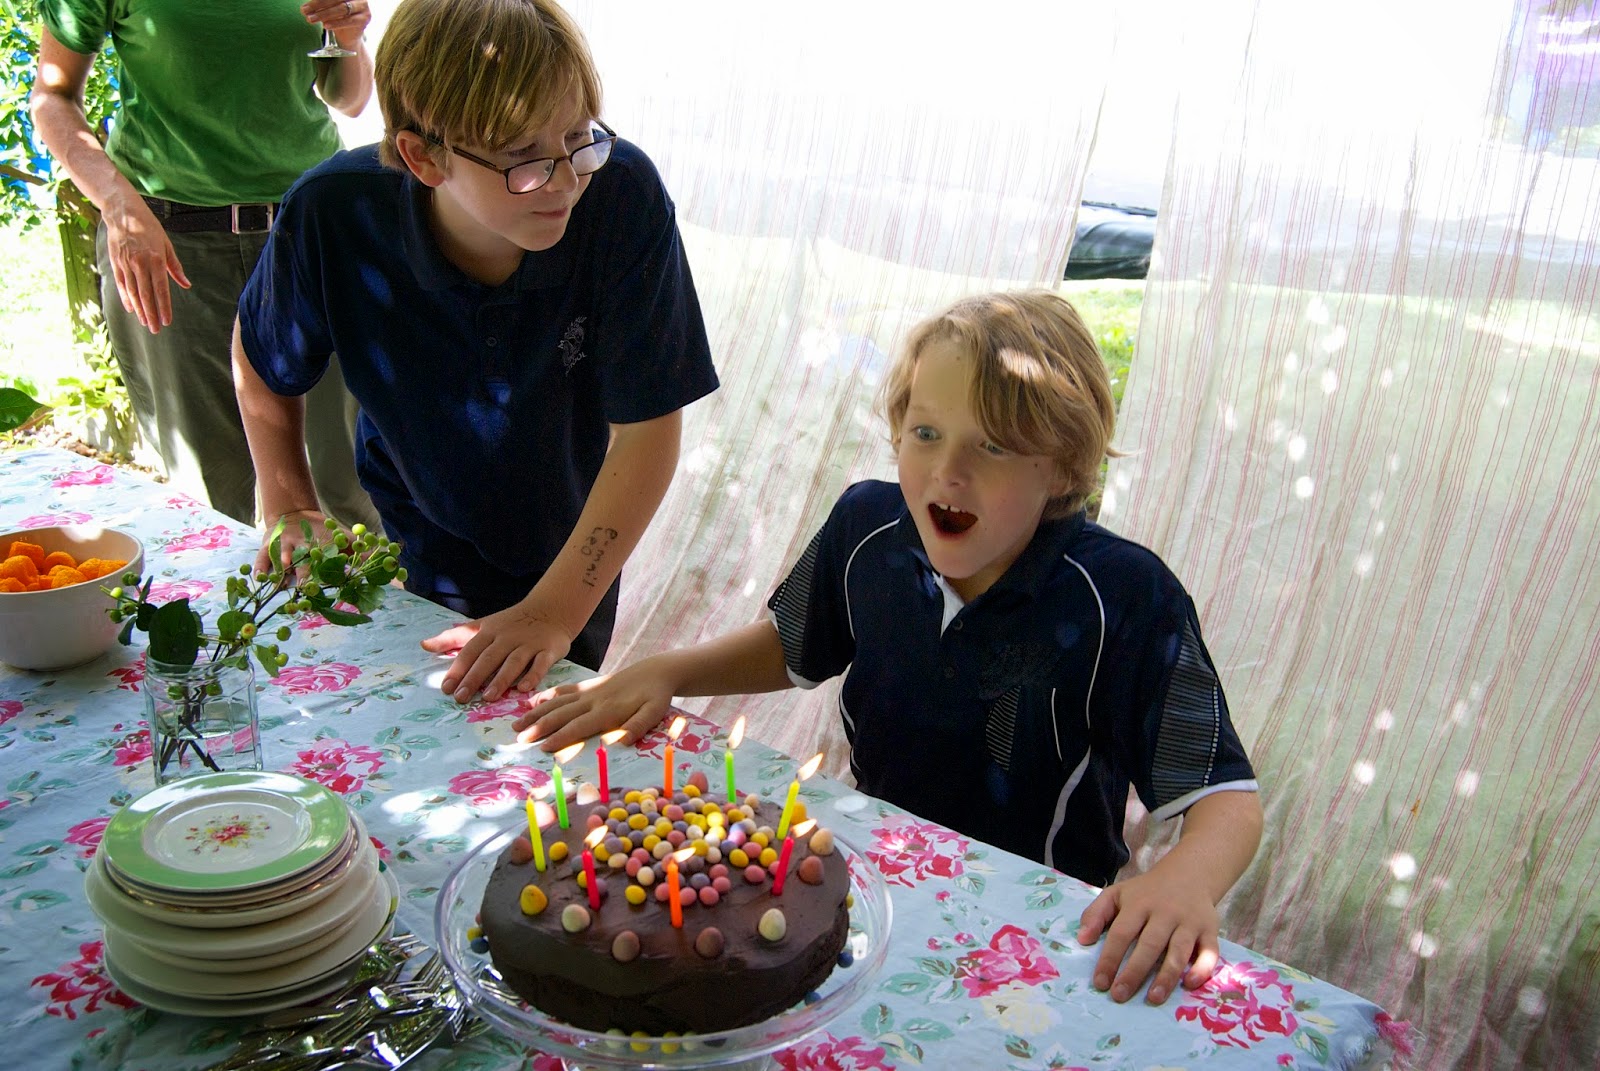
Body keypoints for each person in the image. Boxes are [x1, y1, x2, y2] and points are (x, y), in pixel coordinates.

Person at [513, 290, 1263, 1007]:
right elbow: (792, 645)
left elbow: (1225, 797)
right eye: (926, 433)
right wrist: (669, 670)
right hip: (871, 884)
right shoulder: (866, 524)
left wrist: (1186, 880)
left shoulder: (1126, 596)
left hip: (1036, 933)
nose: (948, 472)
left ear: (1064, 466)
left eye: (993, 445)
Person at [233, 0, 718, 703]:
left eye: (578, 136)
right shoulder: (334, 212)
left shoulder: (621, 194)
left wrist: (553, 613)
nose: (564, 180)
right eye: (523, 157)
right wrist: (288, 503)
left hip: (574, 543)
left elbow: (648, 433)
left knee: (535, 715)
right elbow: (261, 358)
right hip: (413, 531)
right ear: (423, 157)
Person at [30, 0, 380, 530]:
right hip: (171, 246)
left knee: (343, 492)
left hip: (305, 233)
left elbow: (347, 99)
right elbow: (52, 96)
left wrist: (349, 36)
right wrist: (118, 204)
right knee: (212, 500)